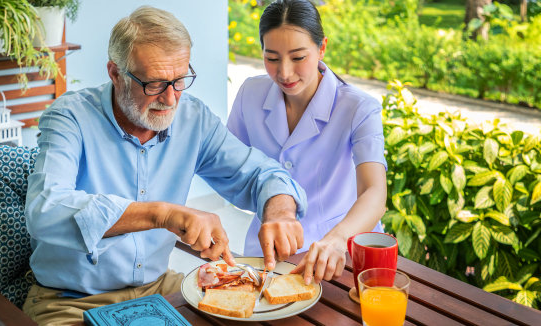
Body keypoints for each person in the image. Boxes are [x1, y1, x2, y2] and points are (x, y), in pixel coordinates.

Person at [23, 6, 306, 325]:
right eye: (154, 84)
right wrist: (162, 214)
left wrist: (281, 212)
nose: (171, 99)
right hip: (71, 302)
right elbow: (45, 211)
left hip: (160, 291)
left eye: (180, 80)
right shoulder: (69, 117)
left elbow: (259, 174)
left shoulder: (194, 120)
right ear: (115, 74)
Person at [227, 0, 387, 285]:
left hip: (336, 259)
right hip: (266, 255)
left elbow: (374, 192)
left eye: (298, 57)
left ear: (322, 47)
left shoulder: (359, 108)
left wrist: (337, 239)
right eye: (272, 58)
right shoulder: (250, 93)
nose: (285, 73)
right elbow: (231, 169)